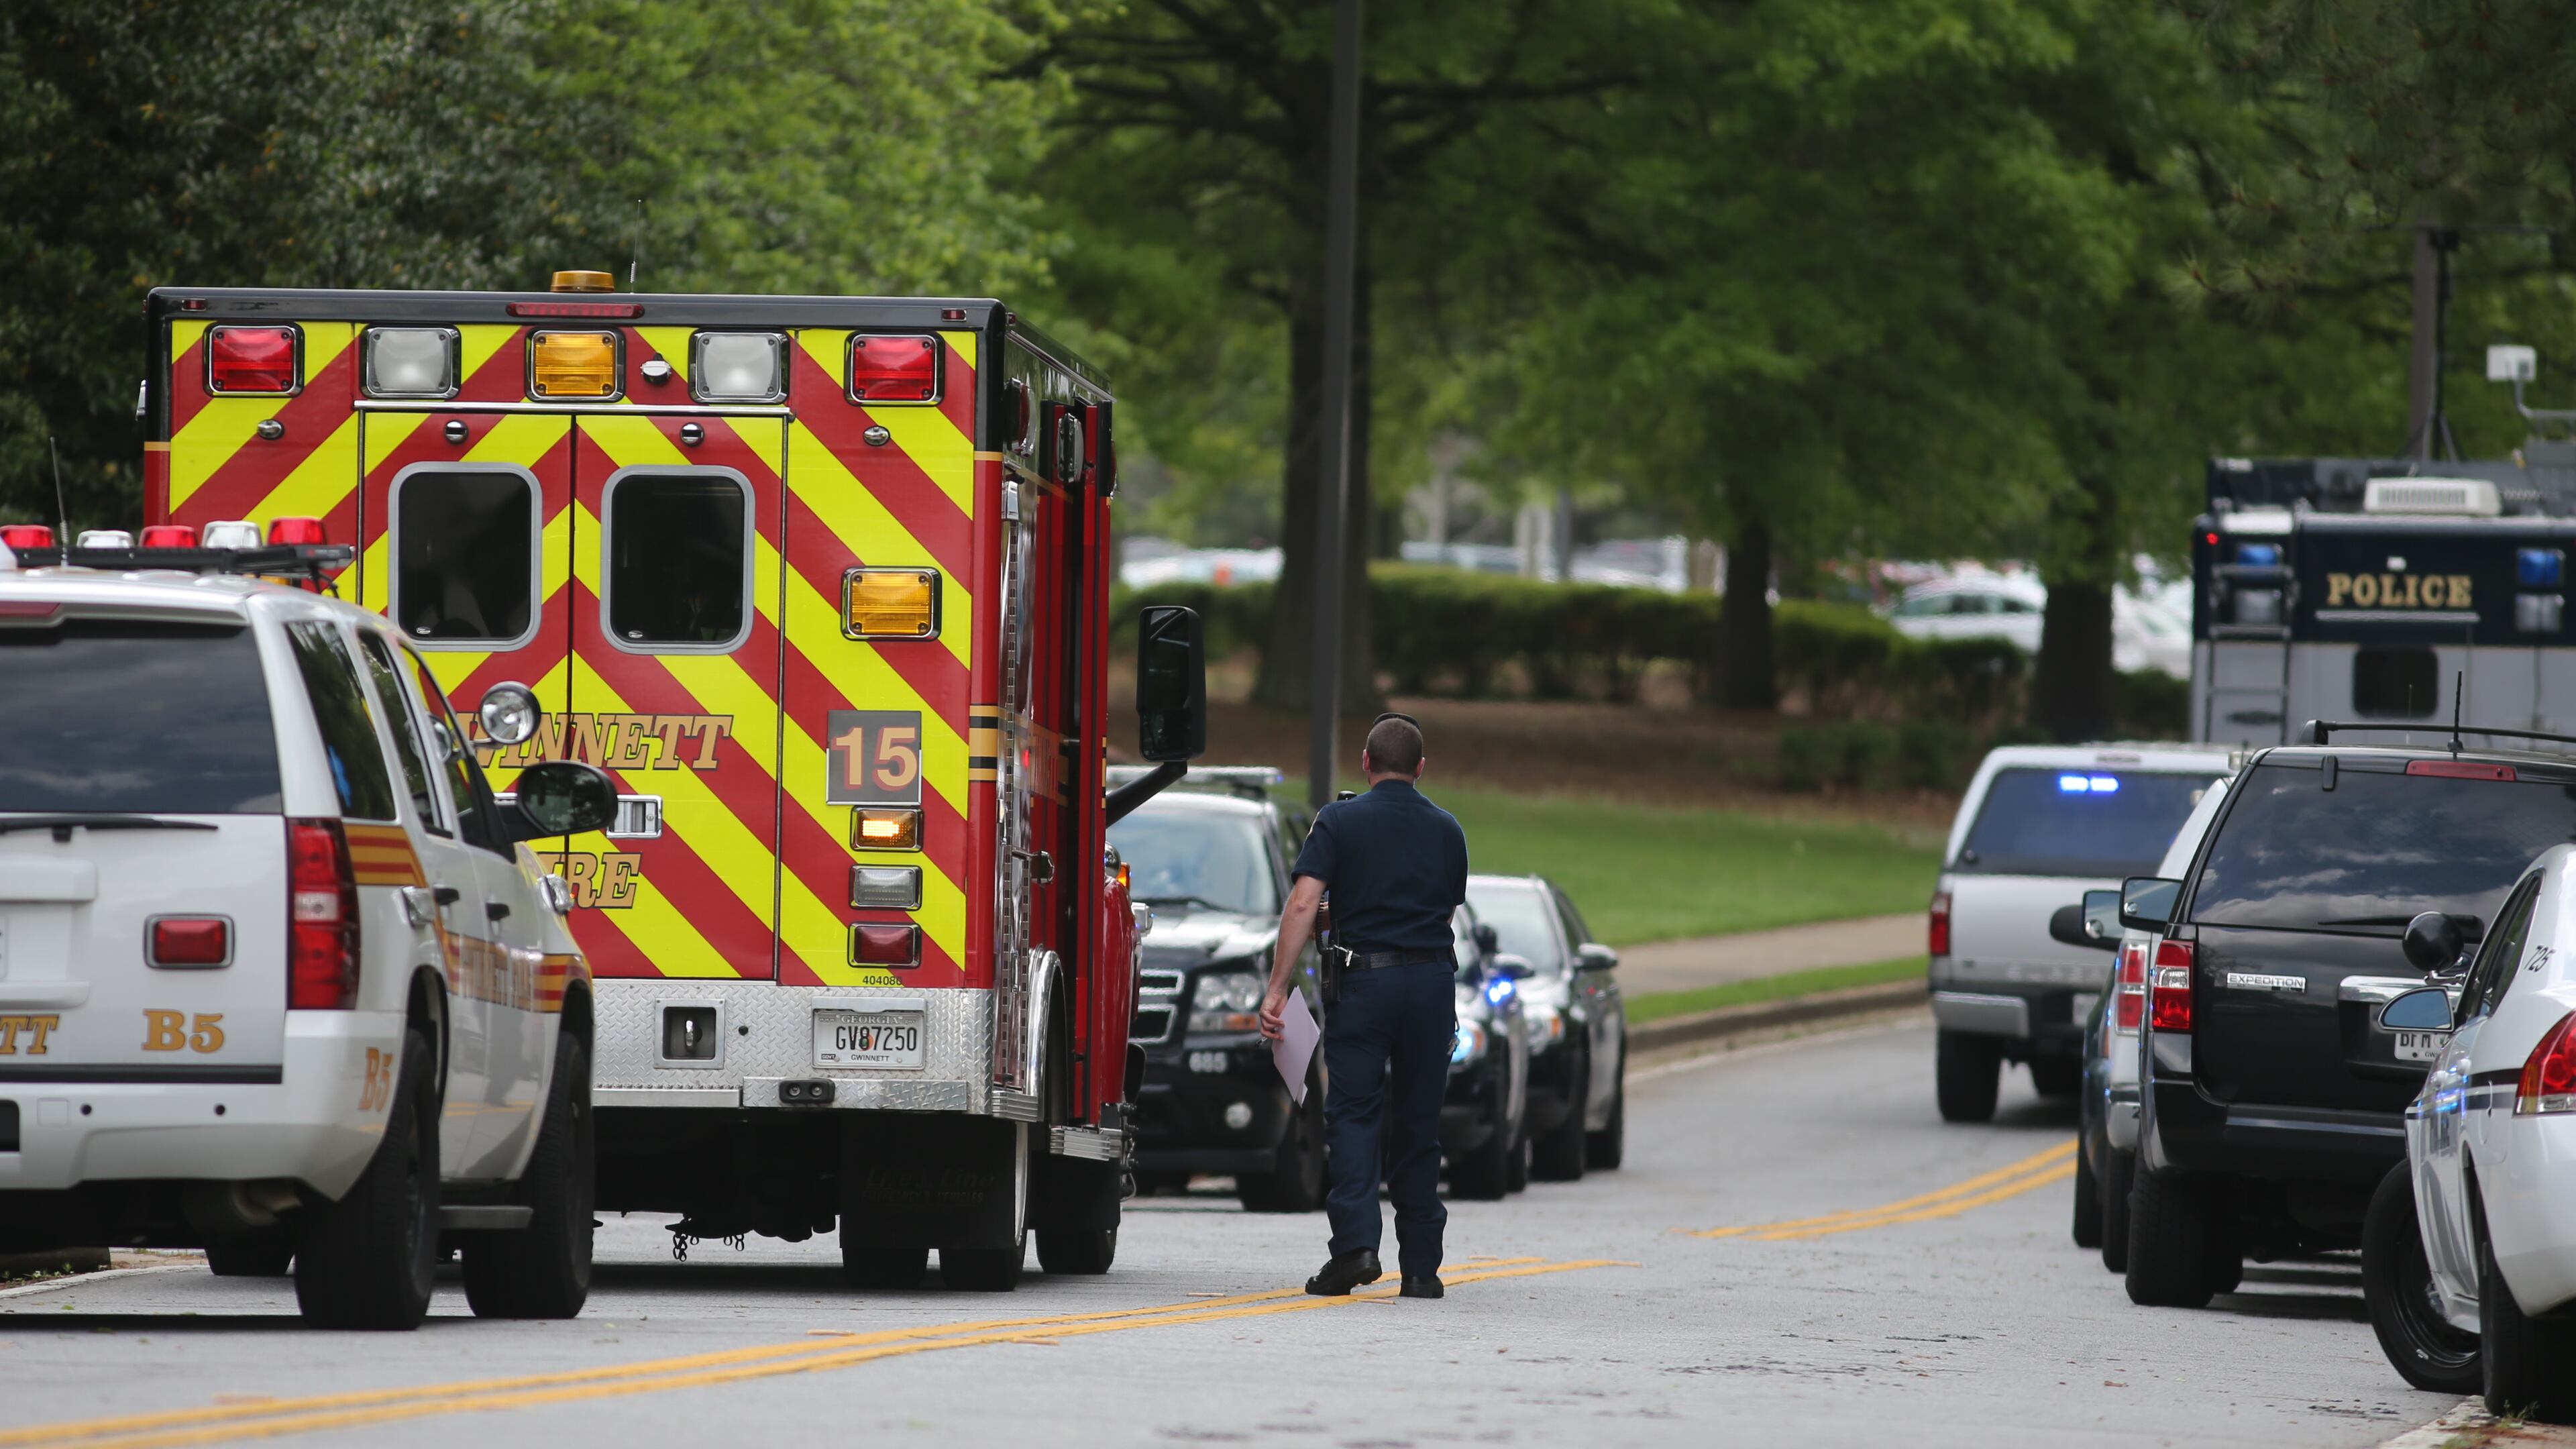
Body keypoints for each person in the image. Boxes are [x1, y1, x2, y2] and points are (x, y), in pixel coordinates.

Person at [1259, 712, 1468, 1299]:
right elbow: (1445, 911)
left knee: (1353, 1114)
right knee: (1419, 1121)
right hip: (1431, 983)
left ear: (1366, 762)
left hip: (1365, 983)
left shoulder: (1338, 821)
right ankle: (1422, 1269)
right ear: (1420, 768)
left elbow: (1304, 904)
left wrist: (1277, 989)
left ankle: (1355, 1247)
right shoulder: (1448, 829)